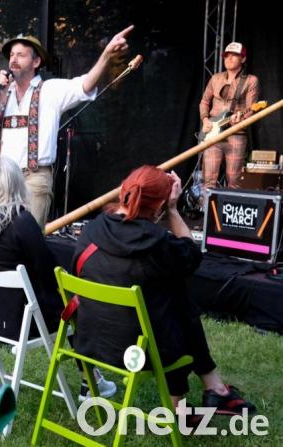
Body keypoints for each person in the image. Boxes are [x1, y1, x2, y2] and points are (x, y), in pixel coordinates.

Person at [72, 165, 255, 417]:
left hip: (91, 343)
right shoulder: (156, 243)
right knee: (177, 297)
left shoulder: (91, 230)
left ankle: (213, 389)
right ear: (158, 207)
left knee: (171, 292)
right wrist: (172, 210)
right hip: (139, 352)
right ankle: (182, 406)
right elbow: (191, 255)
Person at [0, 156, 115, 400]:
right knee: (77, 304)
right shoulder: (21, 222)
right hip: (22, 323)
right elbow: (48, 272)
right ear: (17, 184)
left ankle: (92, 380)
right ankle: (90, 383)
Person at [0, 26, 134, 230]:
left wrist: (106, 55)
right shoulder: (3, 93)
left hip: (32, 179)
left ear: (36, 62)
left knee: (26, 241)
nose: (13, 59)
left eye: (21, 55)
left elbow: (84, 85)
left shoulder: (51, 91)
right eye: (12, 55)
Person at [199, 42, 260, 191]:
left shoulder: (251, 80)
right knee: (209, 179)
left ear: (243, 59)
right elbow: (204, 102)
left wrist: (242, 119)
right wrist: (205, 119)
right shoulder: (215, 78)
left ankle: (229, 211)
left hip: (235, 134)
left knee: (233, 179)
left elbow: (251, 109)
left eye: (234, 55)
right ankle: (209, 213)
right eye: (227, 55)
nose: (229, 58)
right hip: (212, 133)